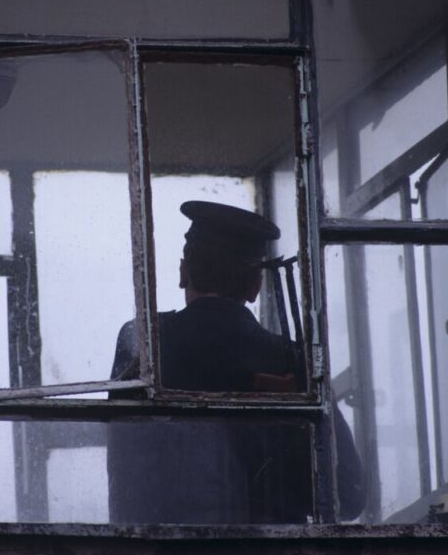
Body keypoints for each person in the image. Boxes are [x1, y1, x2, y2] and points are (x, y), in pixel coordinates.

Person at [107, 200, 365, 524]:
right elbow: (349, 495)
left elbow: (125, 467)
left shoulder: (141, 343)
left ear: (183, 272)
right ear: (256, 284)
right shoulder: (291, 361)